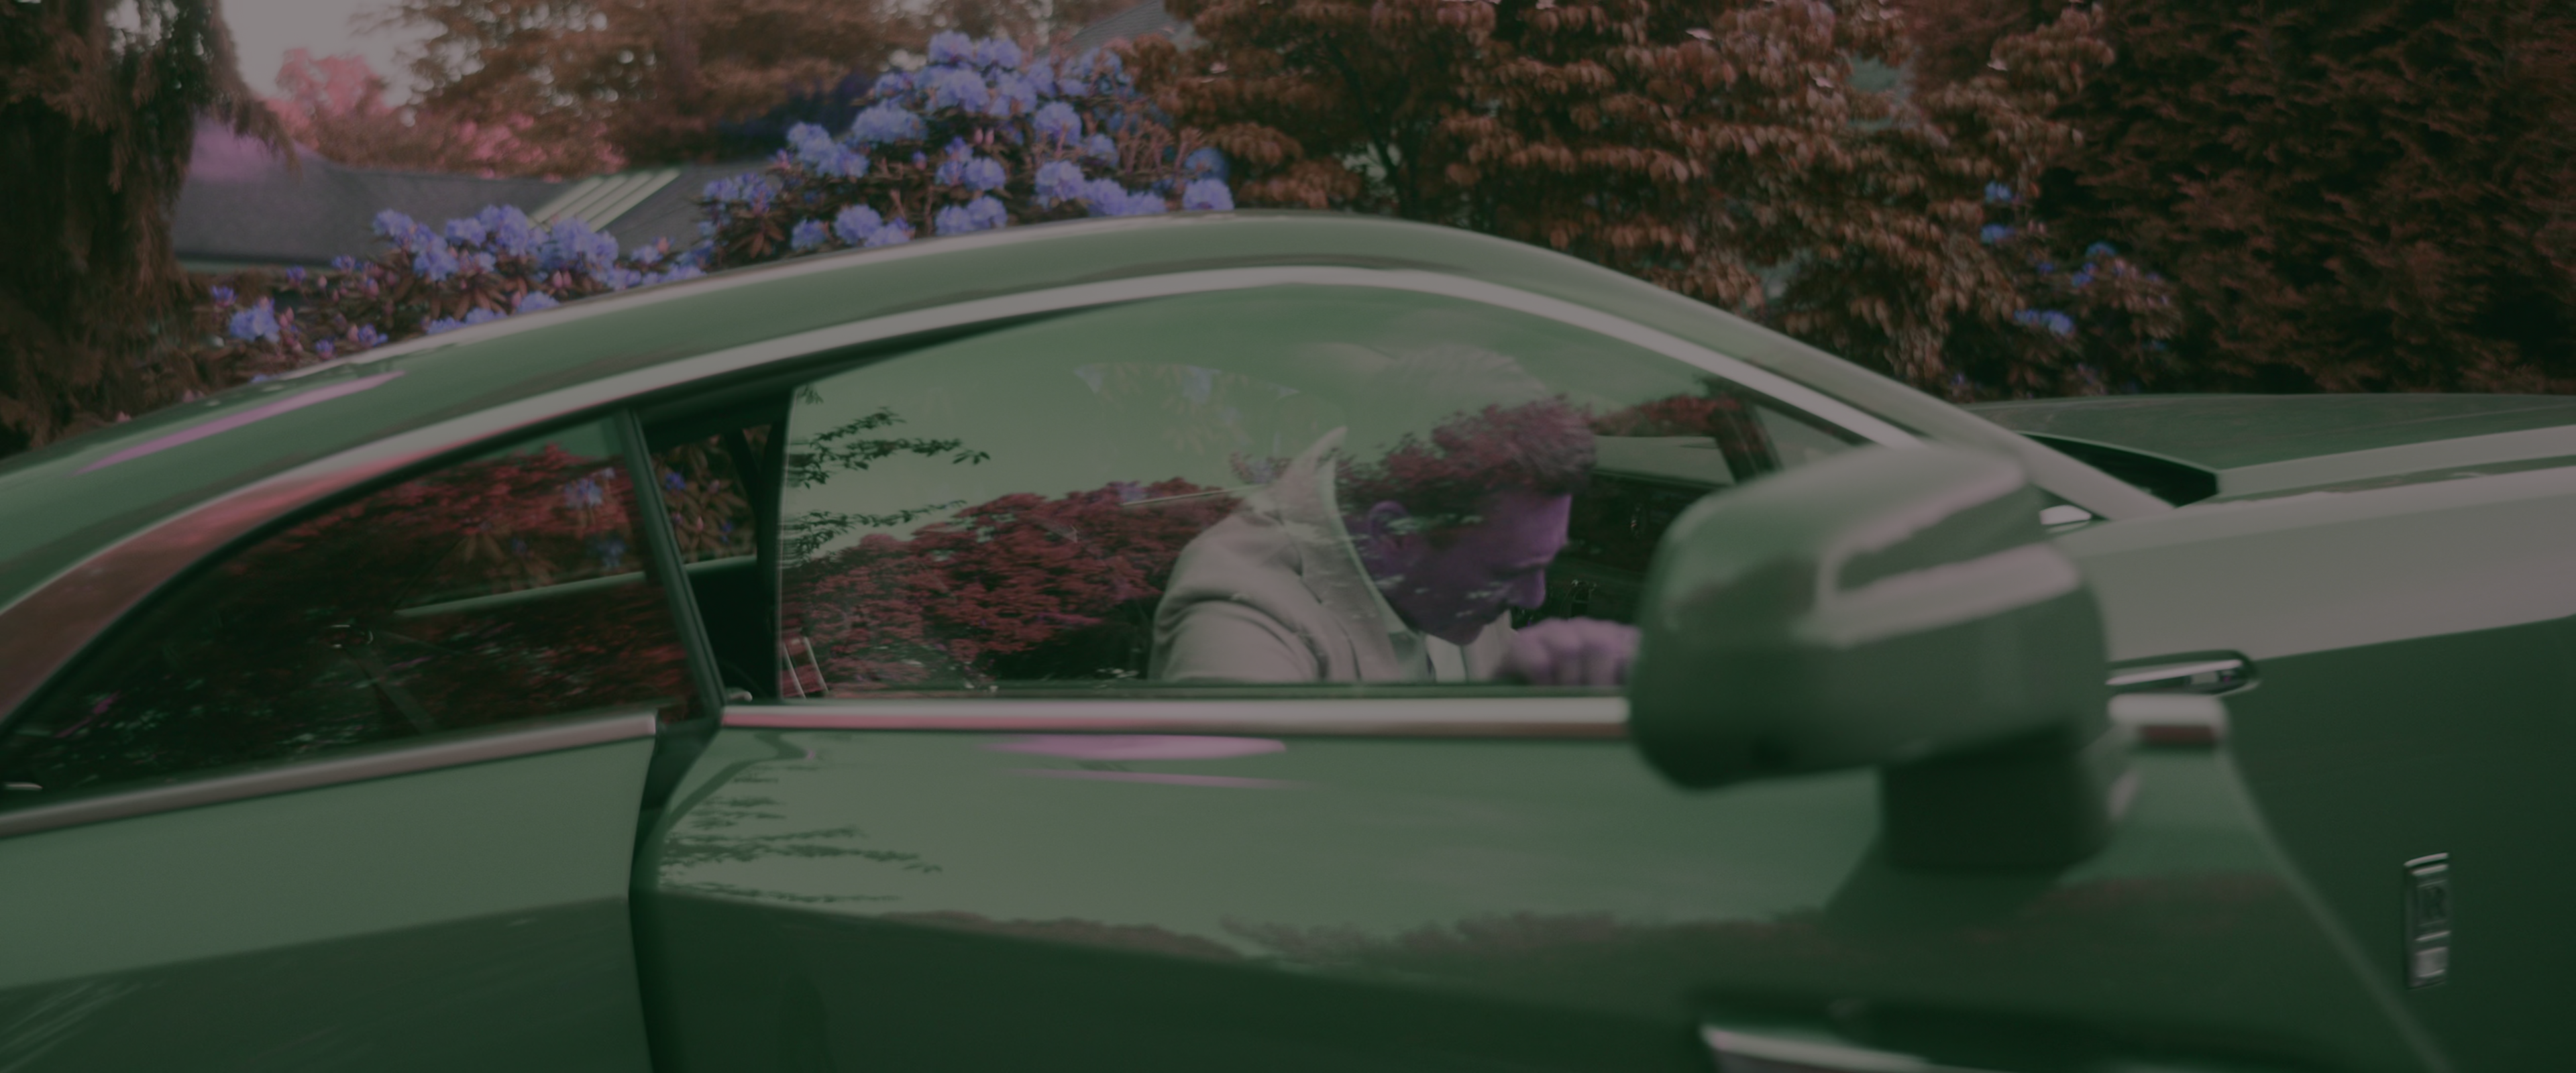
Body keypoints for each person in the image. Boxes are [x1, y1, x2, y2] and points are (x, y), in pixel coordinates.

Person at [1149, 356, 1640, 686]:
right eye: (1507, 572)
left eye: (1542, 564)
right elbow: (1254, 811)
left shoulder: (1475, 543)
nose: (1533, 598)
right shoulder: (1241, 616)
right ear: (1393, 535)